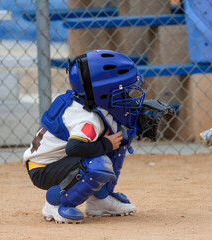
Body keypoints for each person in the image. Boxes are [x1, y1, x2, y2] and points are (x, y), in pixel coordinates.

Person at [23, 49, 174, 224]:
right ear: (103, 93)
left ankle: (99, 200)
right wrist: (106, 145)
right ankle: (56, 202)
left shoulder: (87, 101)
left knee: (118, 137)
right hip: (43, 169)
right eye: (122, 92)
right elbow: (74, 148)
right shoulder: (87, 119)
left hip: (58, 160)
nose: (127, 96)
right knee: (98, 164)